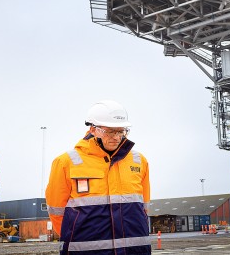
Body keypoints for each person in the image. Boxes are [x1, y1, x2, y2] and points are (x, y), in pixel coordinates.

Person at [46, 100, 151, 254]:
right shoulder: (65, 162)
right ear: (93, 130)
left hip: (135, 250)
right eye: (109, 131)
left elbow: (144, 207)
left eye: (121, 131)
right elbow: (56, 212)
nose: (116, 137)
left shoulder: (139, 161)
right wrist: (74, 237)